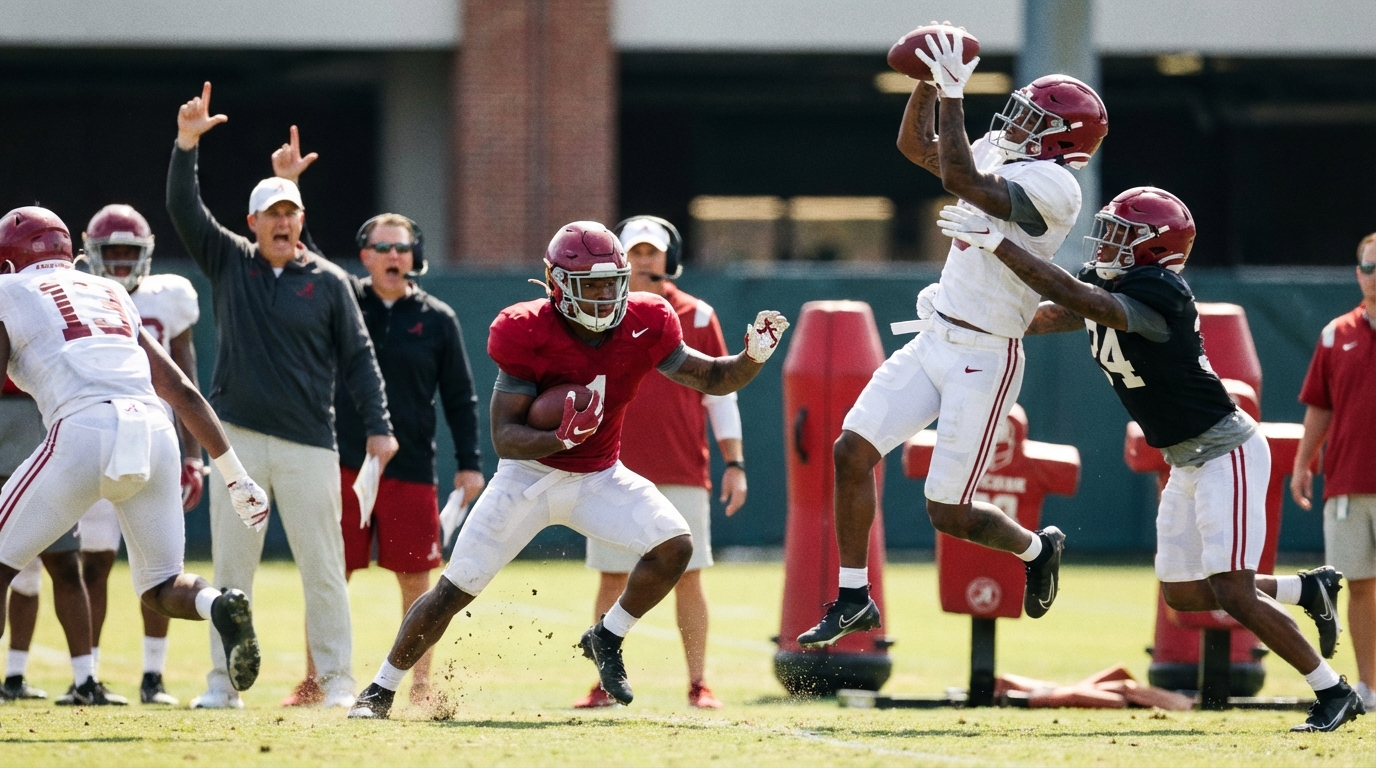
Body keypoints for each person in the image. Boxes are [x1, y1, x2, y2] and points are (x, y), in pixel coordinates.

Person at [936, 184, 1362, 732]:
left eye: (1123, 235)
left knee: (1231, 590)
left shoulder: (1163, 292)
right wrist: (960, 320)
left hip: (1224, 452)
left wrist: (1000, 243)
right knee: (1183, 594)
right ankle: (1305, 589)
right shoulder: (1111, 283)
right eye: (1109, 230)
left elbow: (1086, 302)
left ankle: (1334, 691)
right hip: (1185, 459)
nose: (1107, 243)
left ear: (1156, 249)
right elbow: (1049, 313)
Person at [346, 221, 789, 719]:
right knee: (454, 588)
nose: (604, 297)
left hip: (598, 476)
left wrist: (751, 358)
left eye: (611, 283)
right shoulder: (525, 329)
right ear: (557, 284)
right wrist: (560, 437)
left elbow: (712, 376)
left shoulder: (646, 320)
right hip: (528, 477)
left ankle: (607, 635)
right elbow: (505, 438)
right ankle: (380, 689)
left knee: (675, 546)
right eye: (590, 286)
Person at [798, 28, 1105, 649]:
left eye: (1034, 117)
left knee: (949, 512)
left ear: (1062, 139)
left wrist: (957, 97)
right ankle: (855, 596)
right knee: (851, 451)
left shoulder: (1058, 187)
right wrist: (928, 81)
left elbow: (965, 182)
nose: (1015, 121)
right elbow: (917, 146)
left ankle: (1035, 547)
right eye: (1019, 108)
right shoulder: (1004, 147)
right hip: (936, 335)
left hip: (986, 355)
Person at [167, 83, 398, 709]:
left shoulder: (328, 283)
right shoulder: (229, 260)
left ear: (302, 221)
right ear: (252, 223)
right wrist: (187, 145)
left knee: (323, 571)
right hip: (236, 444)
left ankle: (339, 684)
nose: (282, 222)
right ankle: (222, 685)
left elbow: (359, 359)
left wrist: (378, 425)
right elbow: (185, 212)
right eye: (271, 212)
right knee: (232, 574)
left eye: (291, 212)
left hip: (309, 447)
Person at [0, 205, 267, 706]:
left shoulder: (8, 290)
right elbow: (182, 388)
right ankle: (218, 603)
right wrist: (235, 475)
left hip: (81, 428)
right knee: (161, 585)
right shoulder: (110, 292)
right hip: (154, 431)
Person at [268, 130, 487, 708]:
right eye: (383, 246)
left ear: (416, 255)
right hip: (341, 459)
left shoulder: (438, 319)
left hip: (412, 465)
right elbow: (301, 252)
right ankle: (317, 679)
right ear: (363, 254)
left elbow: (461, 398)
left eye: (403, 247)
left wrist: (470, 466)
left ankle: (418, 684)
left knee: (419, 580)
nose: (394, 255)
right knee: (329, 573)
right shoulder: (341, 298)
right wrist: (288, 186)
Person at [574, 216, 746, 710]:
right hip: (611, 467)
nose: (645, 260)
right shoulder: (599, 314)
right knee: (610, 575)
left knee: (689, 576)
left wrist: (735, 463)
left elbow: (721, 395)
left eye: (653, 252)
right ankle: (603, 683)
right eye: (636, 252)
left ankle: (698, 683)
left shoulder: (697, 315)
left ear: (670, 257)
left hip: (682, 468)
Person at [74, 203, 203, 706]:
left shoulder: (168, 298)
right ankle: (88, 676)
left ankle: (153, 677)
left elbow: (185, 375)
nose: (122, 263)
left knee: (160, 567)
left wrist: (193, 455)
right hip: (95, 437)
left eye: (131, 253)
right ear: (92, 254)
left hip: (154, 441)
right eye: (113, 253)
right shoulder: (78, 294)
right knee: (93, 564)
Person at [1292, 232, 1376, 713]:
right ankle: (1368, 685)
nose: (1373, 277)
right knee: (1359, 585)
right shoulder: (1334, 334)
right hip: (1345, 481)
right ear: (1356, 273)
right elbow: (1320, 406)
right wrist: (1304, 462)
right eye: (1368, 267)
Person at [0, 378, 110, 703]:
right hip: (31, 420)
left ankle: (85, 681)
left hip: (47, 421)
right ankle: (75, 679)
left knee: (64, 563)